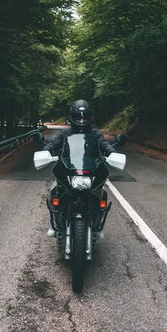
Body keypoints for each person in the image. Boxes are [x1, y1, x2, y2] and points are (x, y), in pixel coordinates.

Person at [44, 100, 114, 236]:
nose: (82, 120)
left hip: (90, 170)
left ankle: (98, 222)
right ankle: (53, 222)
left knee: (101, 192)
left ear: (90, 118)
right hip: (69, 169)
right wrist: (46, 151)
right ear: (72, 117)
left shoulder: (95, 134)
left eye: (85, 117)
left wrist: (113, 153)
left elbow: (105, 145)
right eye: (78, 117)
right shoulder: (65, 134)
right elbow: (54, 143)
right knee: (55, 189)